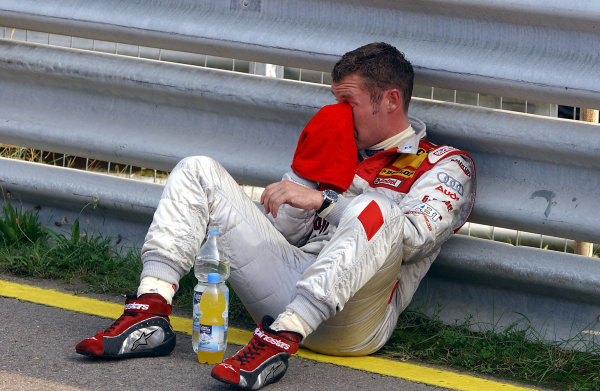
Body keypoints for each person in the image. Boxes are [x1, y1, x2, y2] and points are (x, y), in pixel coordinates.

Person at [76, 42, 476, 390]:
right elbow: (281, 232)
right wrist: (309, 175)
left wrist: (323, 201)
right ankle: (149, 312)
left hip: (355, 320)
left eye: (347, 103)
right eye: (334, 100)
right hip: (286, 290)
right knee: (197, 168)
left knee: (379, 209)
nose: (336, 112)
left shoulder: (445, 165)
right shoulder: (335, 141)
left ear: (390, 100)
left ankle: (282, 338)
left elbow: (411, 239)